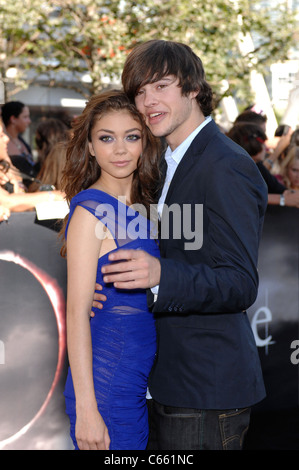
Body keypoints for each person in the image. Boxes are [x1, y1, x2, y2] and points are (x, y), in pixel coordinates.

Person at [93, 40, 268, 450]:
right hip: (168, 382)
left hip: (205, 388)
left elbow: (239, 282)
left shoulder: (225, 165)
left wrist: (159, 277)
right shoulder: (166, 162)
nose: (148, 100)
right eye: (140, 91)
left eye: (161, 86)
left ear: (192, 88)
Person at [60, 90, 161, 450]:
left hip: (135, 381)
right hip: (105, 384)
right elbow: (76, 313)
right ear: (89, 146)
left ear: (144, 142)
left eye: (131, 136)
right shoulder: (90, 212)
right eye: (106, 138)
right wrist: (88, 408)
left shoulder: (146, 205)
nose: (120, 150)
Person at [226, 122, 299, 208]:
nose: (266, 146)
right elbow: (241, 197)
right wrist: (281, 199)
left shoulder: (257, 165)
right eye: (263, 142)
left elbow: (277, 188)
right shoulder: (231, 171)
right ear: (254, 144)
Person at [0, 118, 63, 212]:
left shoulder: (6, 167)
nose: (7, 138)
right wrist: (53, 195)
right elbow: (7, 202)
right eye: (1, 135)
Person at [1, 101, 38, 183]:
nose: (29, 121)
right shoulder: (3, 145)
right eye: (25, 117)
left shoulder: (21, 140)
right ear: (13, 119)